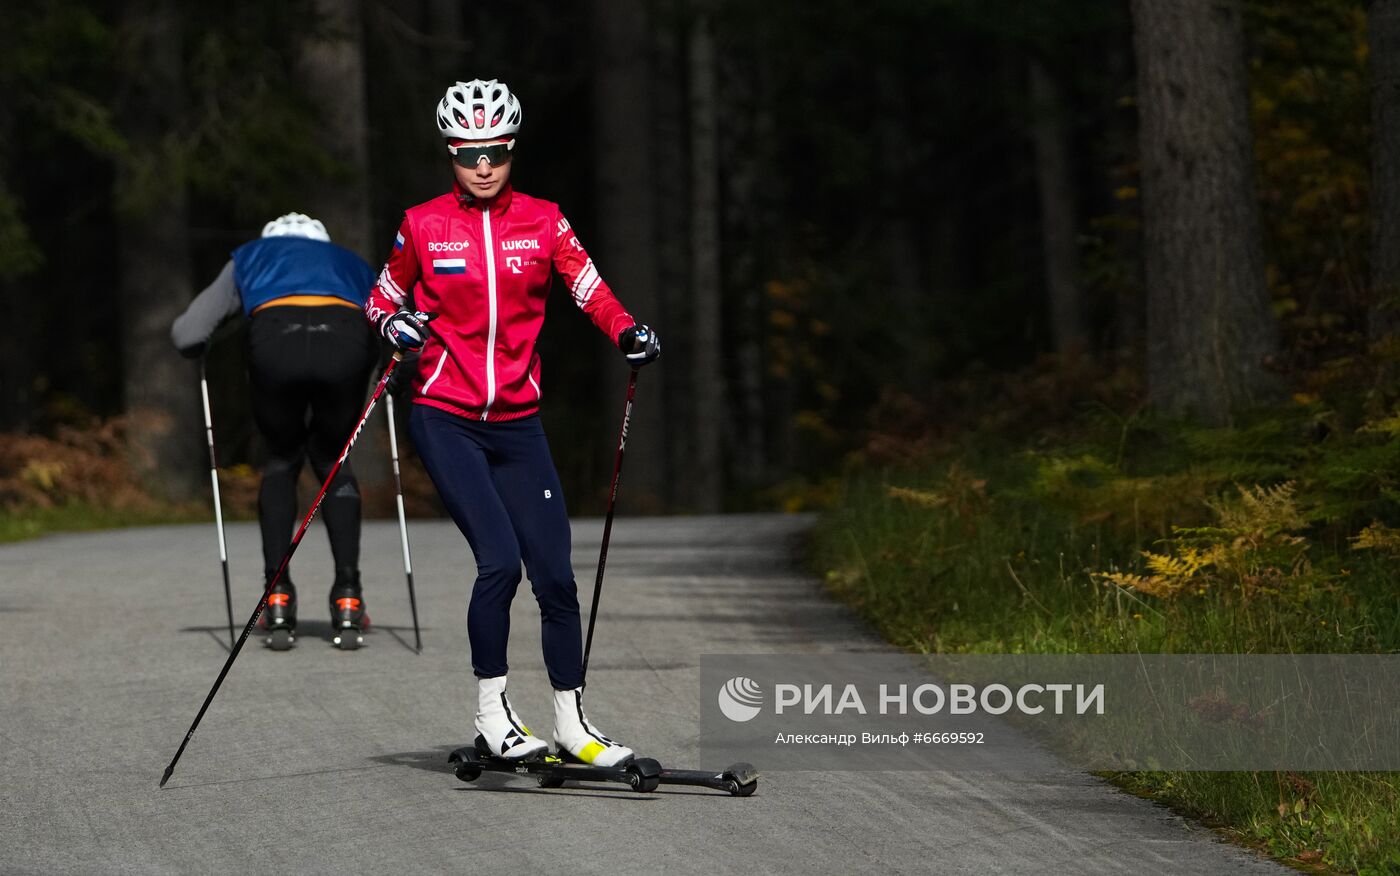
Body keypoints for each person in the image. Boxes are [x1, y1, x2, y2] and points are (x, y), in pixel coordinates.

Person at [364, 79, 661, 765]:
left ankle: (572, 724)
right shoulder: (424, 223)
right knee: (499, 561)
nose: (484, 165)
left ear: (511, 149)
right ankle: (493, 712)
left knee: (555, 574)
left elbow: (589, 287)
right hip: (446, 416)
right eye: (470, 153)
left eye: (496, 151)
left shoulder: (545, 221)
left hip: (518, 423)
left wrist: (627, 332)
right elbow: (380, 298)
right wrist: (394, 323)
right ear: (451, 154)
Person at [171, 212, 379, 645]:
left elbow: (188, 334)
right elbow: (398, 327)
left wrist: (215, 336)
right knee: (332, 458)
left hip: (275, 341)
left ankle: (277, 597)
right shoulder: (352, 262)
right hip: (345, 342)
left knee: (283, 458)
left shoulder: (249, 256)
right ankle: (348, 598)